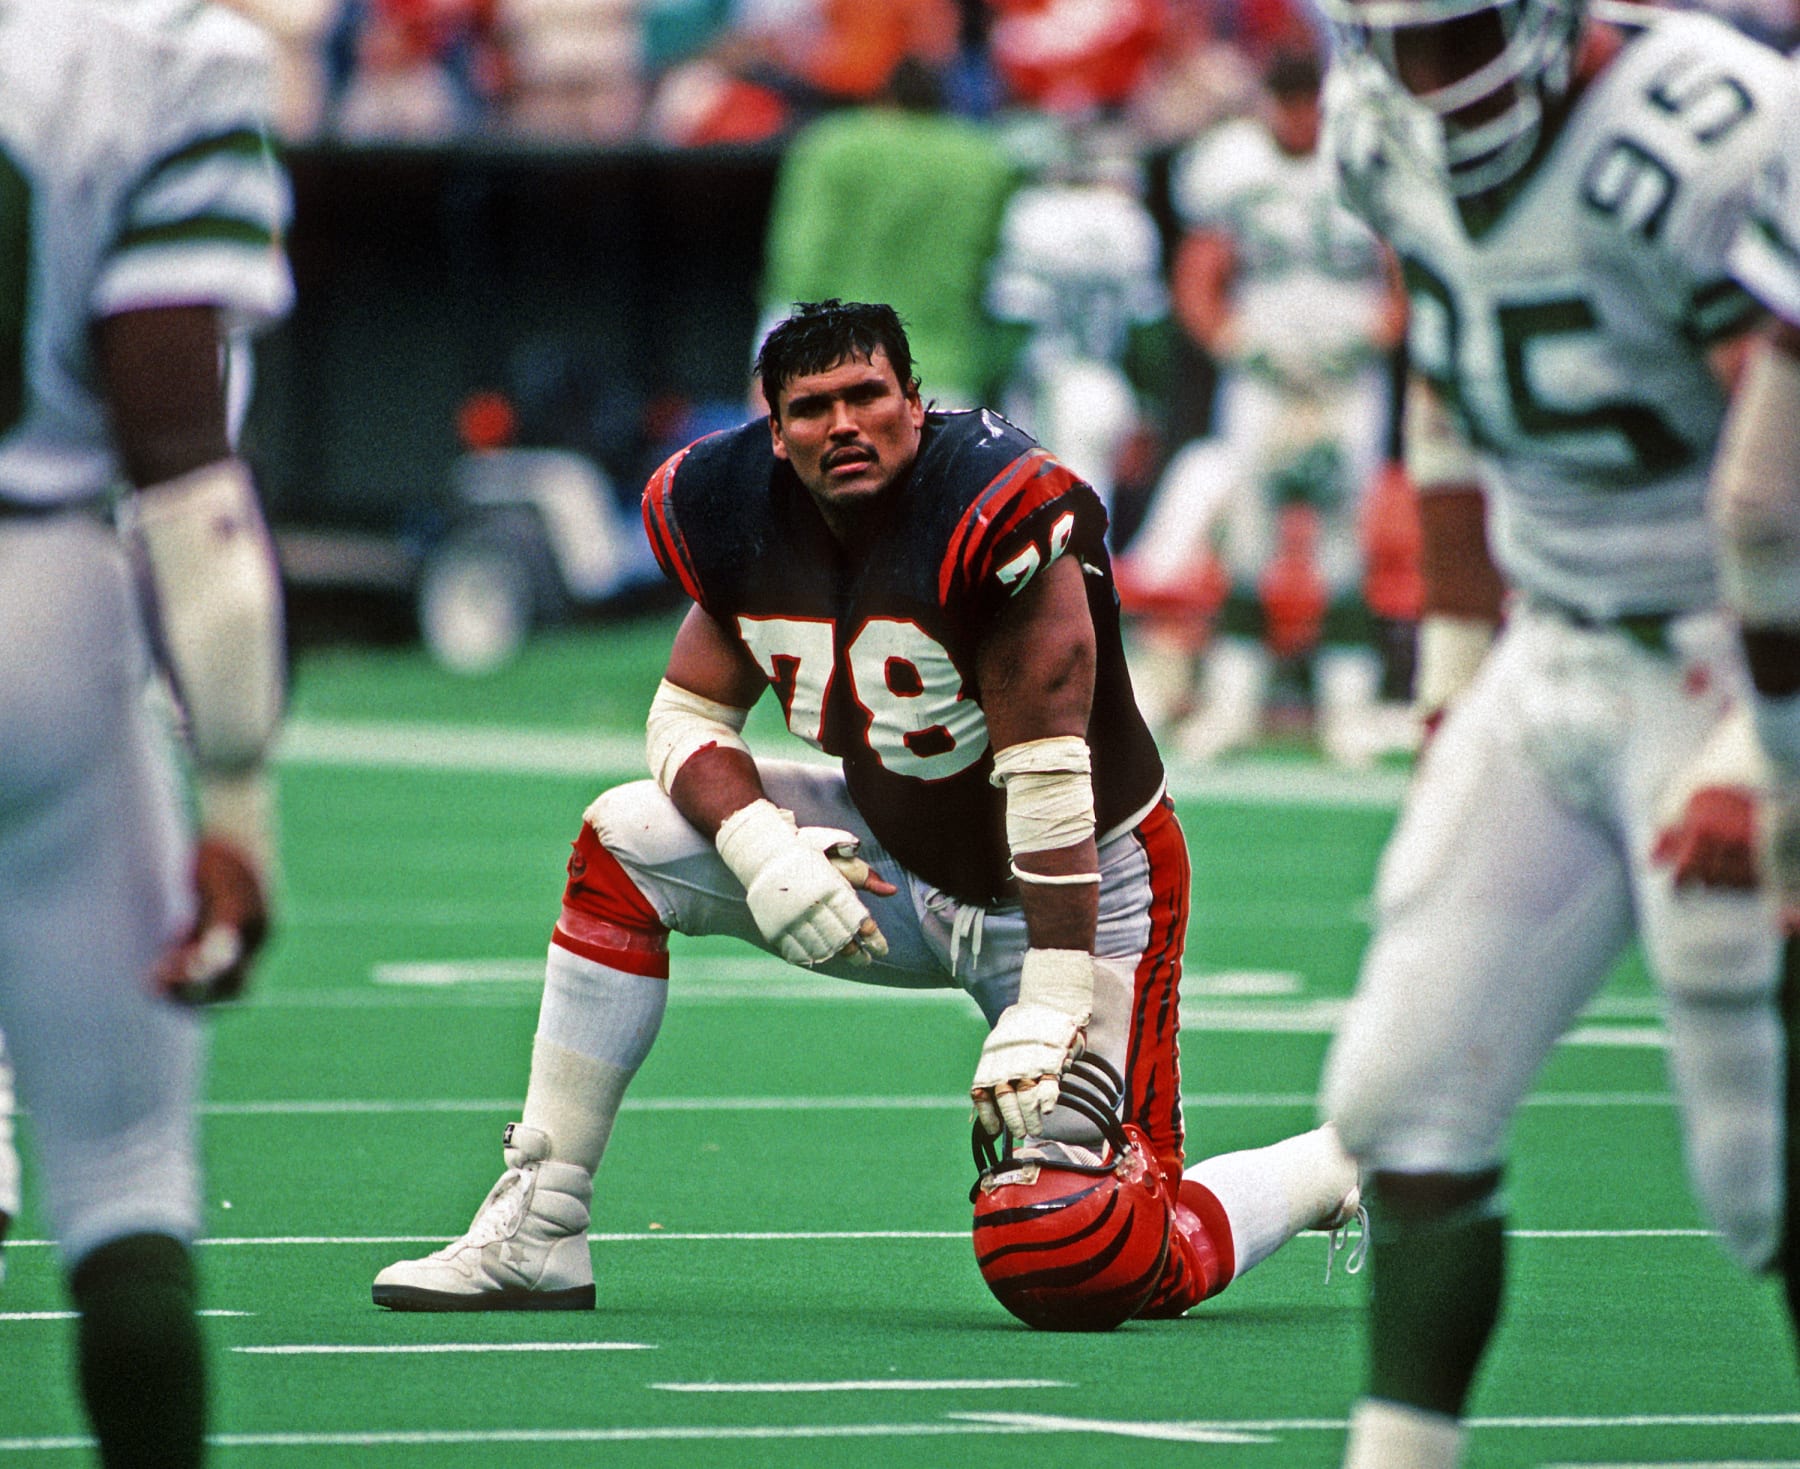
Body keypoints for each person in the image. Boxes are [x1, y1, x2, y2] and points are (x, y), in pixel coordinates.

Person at [373, 299, 1362, 1326]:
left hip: (1080, 890)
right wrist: (763, 848)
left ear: (914, 402)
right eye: (811, 407)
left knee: (1076, 1250)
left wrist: (1053, 997)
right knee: (624, 841)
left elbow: (1050, 779)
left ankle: (1325, 1166)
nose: (843, 424)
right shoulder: (738, 504)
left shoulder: (991, 503)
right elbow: (686, 715)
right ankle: (540, 1224)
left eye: (866, 396)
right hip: (891, 854)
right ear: (774, 427)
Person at [1310, 0, 1798, 1462]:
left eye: (1460, 37)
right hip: (1557, 646)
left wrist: (1765, 752)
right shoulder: (1373, 132)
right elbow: (1448, 390)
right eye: (1402, 44)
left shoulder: (1712, 129)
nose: (1432, 80)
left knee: (1760, 1170)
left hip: (1736, 651)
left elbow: (1777, 501)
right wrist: (1457, 674)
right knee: (1403, 1100)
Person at [0, 0, 291, 1461]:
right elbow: (184, 465)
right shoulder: (146, 47)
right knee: (122, 1177)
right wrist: (237, 793)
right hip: (33, 594)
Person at [1115, 47, 1411, 766]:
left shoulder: (1364, 153)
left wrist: (1374, 337)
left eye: (1309, 101)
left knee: (1344, 544)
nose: (1300, 118)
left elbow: (1404, 263)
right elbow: (1200, 270)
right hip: (1263, 372)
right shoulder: (1232, 164)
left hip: (1347, 375)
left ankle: (1348, 710)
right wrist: (1235, 342)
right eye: (1287, 100)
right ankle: (1232, 705)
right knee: (1247, 537)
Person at [755, 59, 1019, 412]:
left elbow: (800, 264)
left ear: (882, 98)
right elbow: (1007, 285)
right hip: (947, 379)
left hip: (833, 380)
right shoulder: (986, 161)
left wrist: (769, 367)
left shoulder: (831, 146)